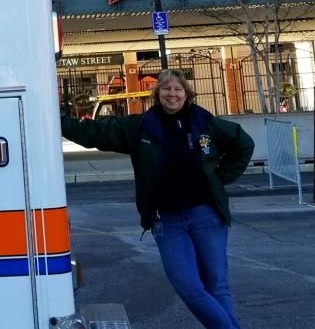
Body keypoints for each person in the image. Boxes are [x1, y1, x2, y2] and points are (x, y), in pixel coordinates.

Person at [61, 69, 254, 329]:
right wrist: (56, 118)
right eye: (166, 89)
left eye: (177, 89)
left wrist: (219, 178)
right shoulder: (141, 126)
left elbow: (243, 143)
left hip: (206, 214)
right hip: (167, 221)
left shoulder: (205, 123)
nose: (171, 94)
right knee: (189, 288)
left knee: (217, 285)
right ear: (157, 94)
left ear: (186, 94)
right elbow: (95, 132)